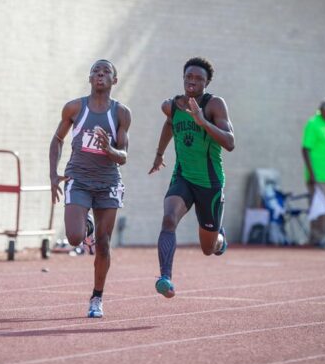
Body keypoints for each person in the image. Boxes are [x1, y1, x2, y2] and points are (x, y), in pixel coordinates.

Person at [49, 60, 131, 317]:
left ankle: (97, 297)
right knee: (74, 237)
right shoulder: (74, 108)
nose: (100, 74)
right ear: (89, 77)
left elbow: (123, 156)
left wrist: (109, 149)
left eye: (106, 71)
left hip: (108, 183)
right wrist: (53, 173)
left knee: (104, 245)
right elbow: (58, 139)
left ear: (114, 81)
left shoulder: (121, 113)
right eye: (96, 70)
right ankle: (87, 227)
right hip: (79, 179)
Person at [149, 57, 235, 298]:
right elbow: (169, 123)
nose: (192, 82)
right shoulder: (173, 105)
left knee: (208, 249)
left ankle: (219, 238)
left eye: (199, 79)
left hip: (209, 182)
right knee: (168, 219)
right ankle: (165, 277)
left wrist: (202, 121)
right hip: (183, 177)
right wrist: (159, 154)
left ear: (207, 83)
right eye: (189, 77)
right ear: (183, 78)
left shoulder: (214, 105)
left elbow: (230, 143)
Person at [302, 97, 325, 248]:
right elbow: (305, 149)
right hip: (317, 176)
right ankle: (316, 238)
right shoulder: (313, 123)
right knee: (319, 207)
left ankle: (322, 236)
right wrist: (311, 174)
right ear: (321, 110)